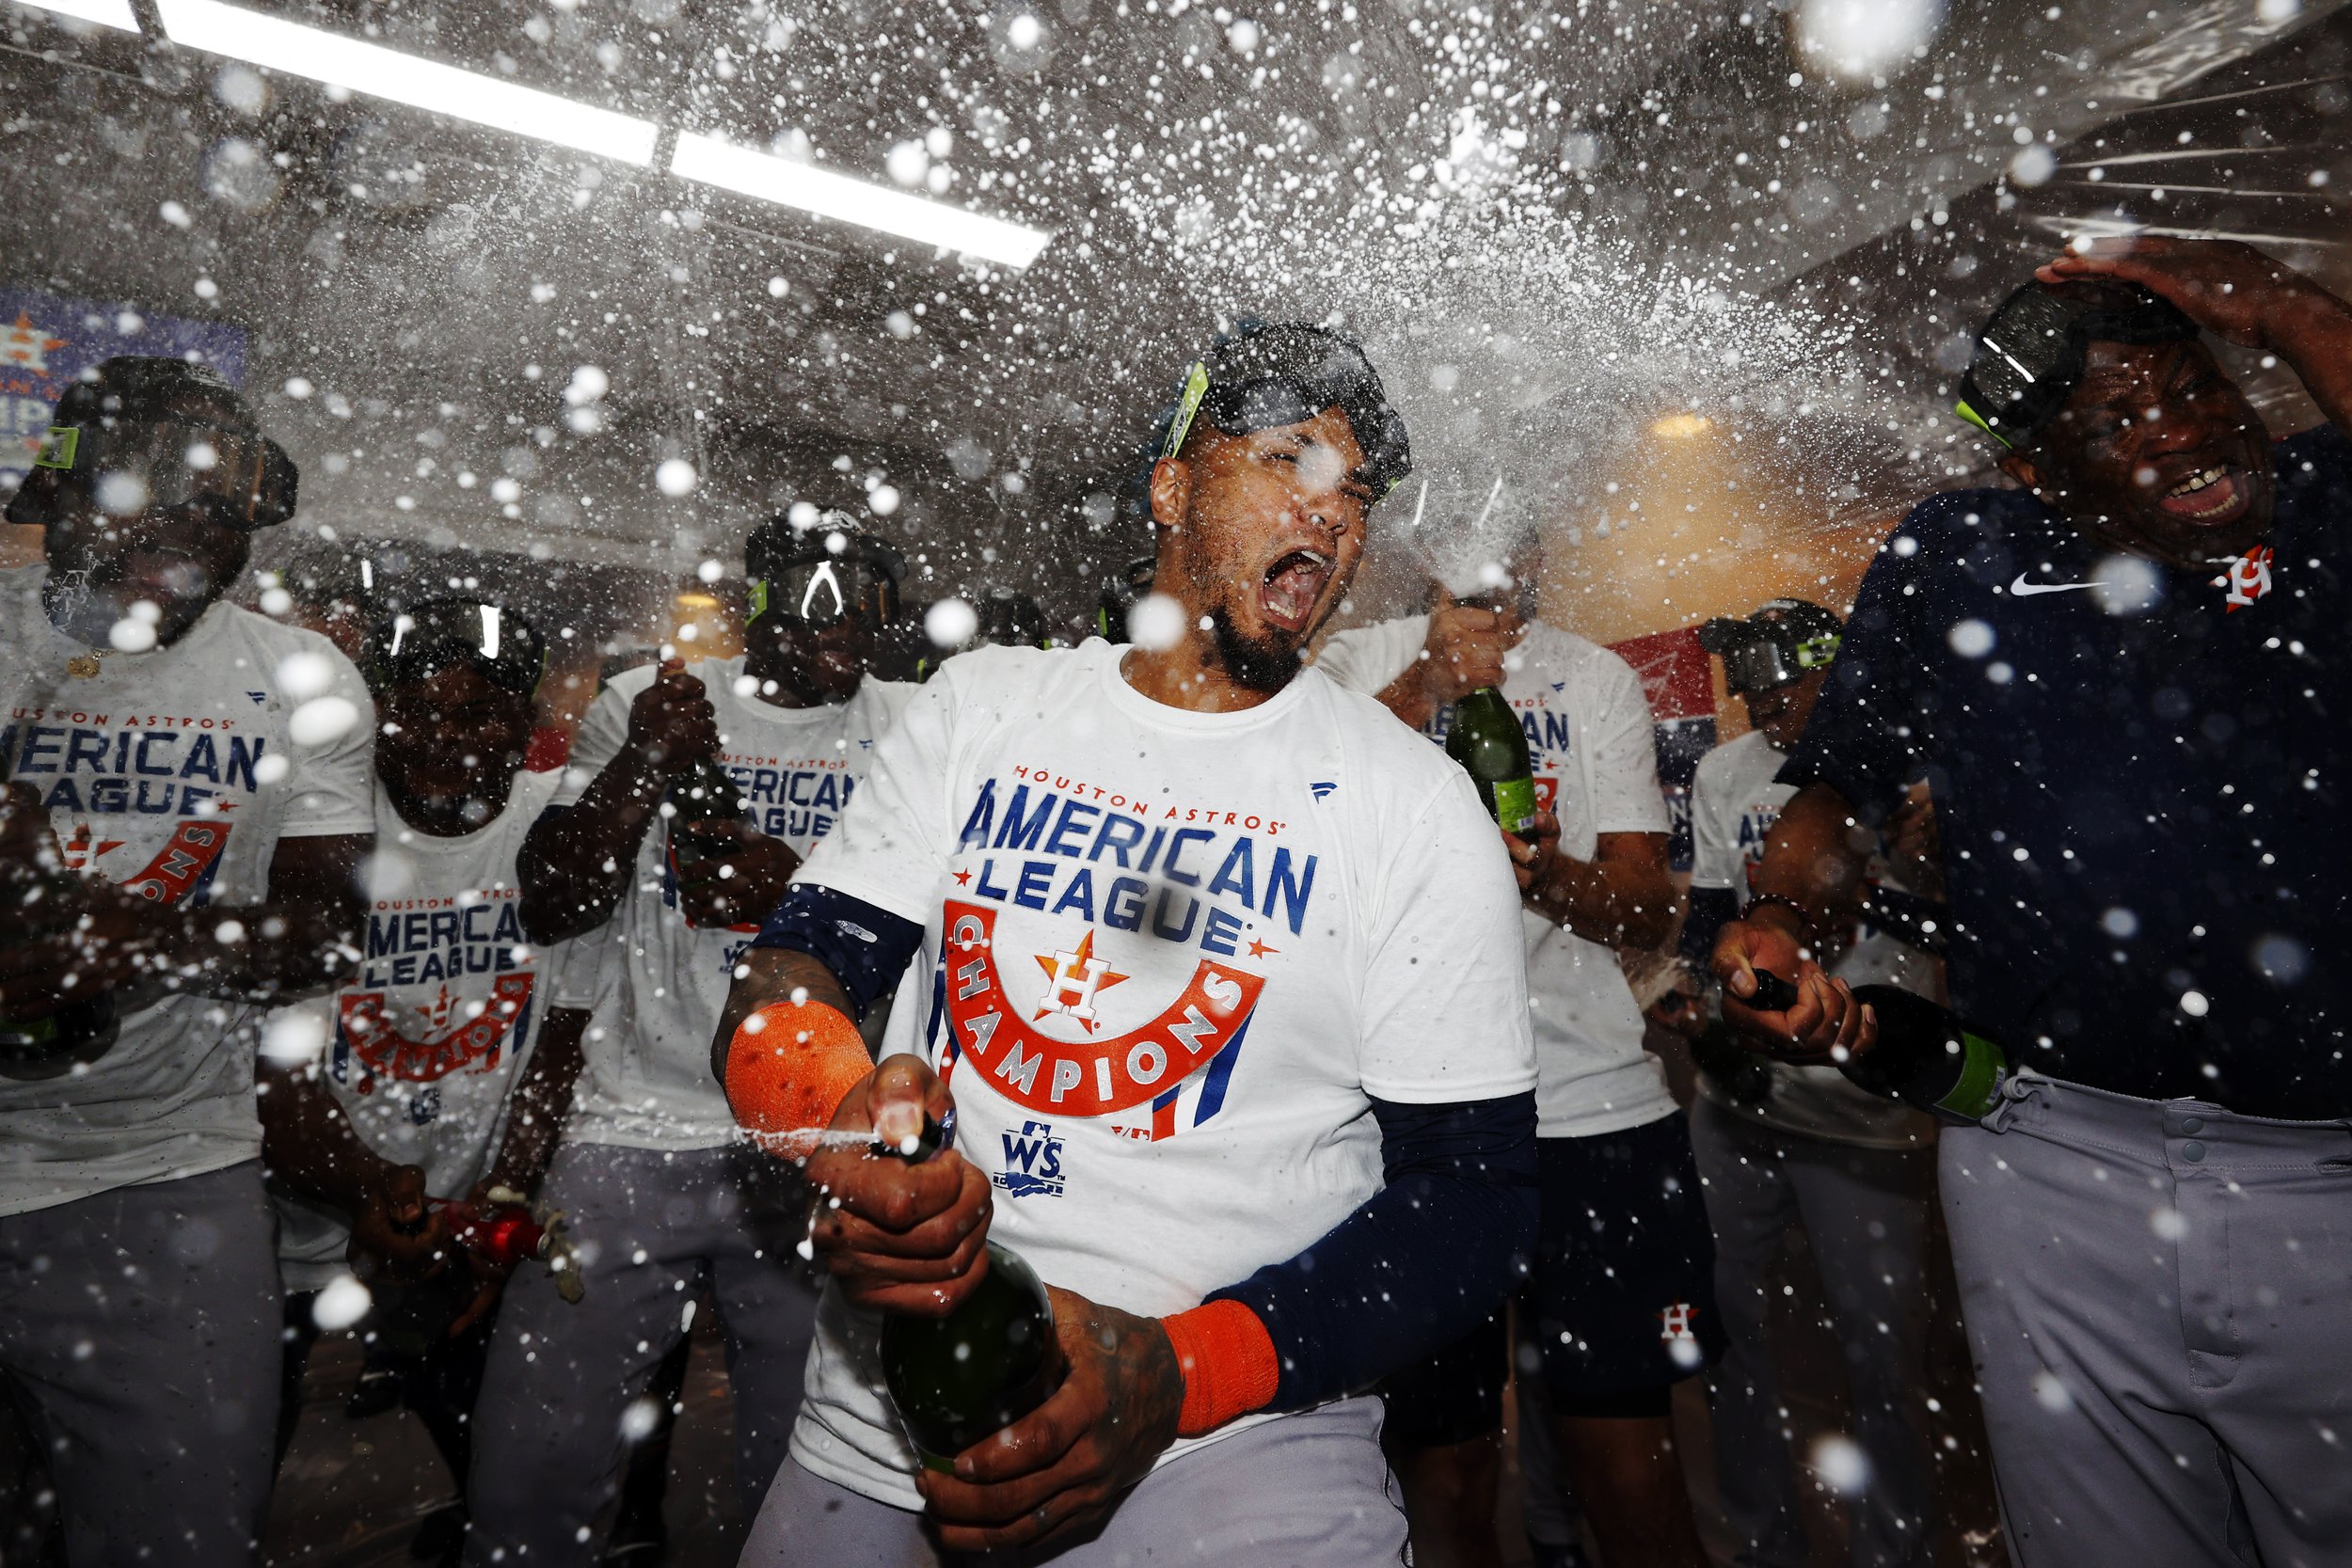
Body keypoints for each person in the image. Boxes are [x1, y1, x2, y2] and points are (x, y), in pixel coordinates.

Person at [713, 320, 1540, 1565]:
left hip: (1244, 1453)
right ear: (1170, 483)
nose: (1333, 516)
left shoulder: (1411, 805)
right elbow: (791, 972)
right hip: (880, 1434)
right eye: (1289, 460)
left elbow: (1475, 1202)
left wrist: (1180, 1366)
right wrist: (846, 1124)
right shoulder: (986, 709)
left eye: (1357, 489)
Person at [1711, 237, 2352, 1568]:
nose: (2183, 433)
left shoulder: (2324, 506)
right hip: (2048, 1162)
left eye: (2193, 387)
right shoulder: (1962, 555)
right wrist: (1789, 917)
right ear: (2037, 472)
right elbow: (1841, 798)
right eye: (2118, 420)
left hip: (2328, 1172)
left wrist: (2281, 307)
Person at [464, 504, 918, 1565]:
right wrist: (645, 765)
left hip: (819, 1137)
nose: (841, 621)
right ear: (760, 599)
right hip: (634, 1124)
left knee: (810, 1475)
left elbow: (950, 928)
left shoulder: (911, 724)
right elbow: (551, 901)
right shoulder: (651, 701)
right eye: (812, 593)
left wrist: (796, 894)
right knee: (531, 1472)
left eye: (866, 599)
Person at [0, 356, 375, 1567]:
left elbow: (325, 930)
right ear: (55, 490)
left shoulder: (302, 678)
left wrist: (126, 937)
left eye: (221, 498)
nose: (181, 521)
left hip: (160, 1175)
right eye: (144, 478)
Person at [1315, 545, 1721, 1568]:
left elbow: (1643, 904)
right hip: (1409, 1112)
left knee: (1627, 1462)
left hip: (1591, 1106)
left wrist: (1542, 875)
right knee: (1444, 1470)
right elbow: (1302, 822)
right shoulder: (1350, 659)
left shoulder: (1593, 675)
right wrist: (1426, 685)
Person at [262, 600, 593, 1563]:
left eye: (478, 713)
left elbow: (563, 1041)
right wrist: (361, 1182)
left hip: (461, 1208)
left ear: (522, 726)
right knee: (232, 1457)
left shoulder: (547, 830)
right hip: (309, 1193)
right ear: (381, 712)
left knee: (491, 1448)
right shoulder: (328, 817)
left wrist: (500, 1198)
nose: (444, 739)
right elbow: (271, 1040)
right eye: (420, 711)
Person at [1678, 598, 1943, 1568]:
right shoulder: (1724, 771)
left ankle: (1897, 1546)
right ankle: (1760, 1541)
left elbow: (1957, 935)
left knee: (1883, 1355)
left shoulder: (1908, 767)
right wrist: (1706, 977)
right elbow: (1711, 914)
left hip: (1865, 1107)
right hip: (1739, 1099)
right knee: (1726, 1332)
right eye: (1748, 692)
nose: (1764, 710)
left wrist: (1901, 872)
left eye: (1784, 686)